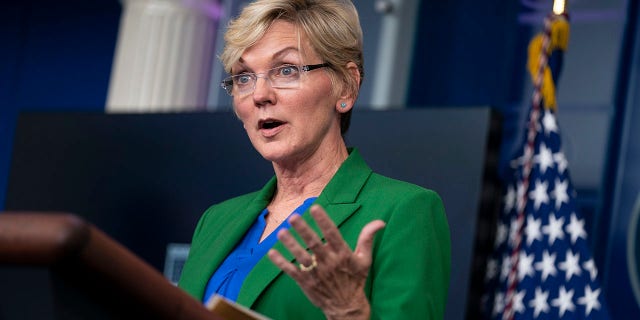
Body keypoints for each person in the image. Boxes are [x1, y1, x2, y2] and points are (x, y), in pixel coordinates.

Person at [178, 0, 451, 319]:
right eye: (243, 77)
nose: (259, 94)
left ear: (346, 86)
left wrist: (350, 312)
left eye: (286, 70)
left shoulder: (403, 212)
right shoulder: (217, 219)